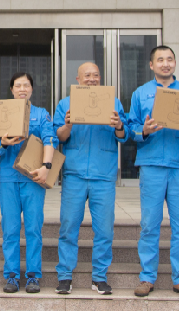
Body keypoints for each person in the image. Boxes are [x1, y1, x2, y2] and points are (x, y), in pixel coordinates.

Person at [124, 45, 179, 299]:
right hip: (152, 165)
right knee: (149, 224)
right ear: (151, 65)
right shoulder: (141, 93)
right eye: (160, 60)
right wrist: (144, 130)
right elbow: (131, 127)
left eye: (169, 59)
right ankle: (147, 277)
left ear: (175, 63)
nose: (165, 64)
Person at [53, 62, 128, 296]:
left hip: (103, 175)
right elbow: (59, 137)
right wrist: (67, 125)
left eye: (96, 75)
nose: (92, 79)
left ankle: (99, 277)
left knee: (104, 230)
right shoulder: (65, 104)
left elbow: (123, 136)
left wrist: (118, 125)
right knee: (68, 227)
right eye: (87, 75)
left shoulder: (113, 103)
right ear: (77, 79)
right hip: (74, 174)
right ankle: (65, 276)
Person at [0, 72, 56, 295]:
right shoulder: (2, 113)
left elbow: (49, 139)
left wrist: (46, 166)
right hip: (8, 177)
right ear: (11, 89)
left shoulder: (41, 114)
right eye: (18, 85)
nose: (22, 89)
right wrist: (3, 143)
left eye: (26, 85)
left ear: (32, 89)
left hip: (33, 179)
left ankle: (33, 275)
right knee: (10, 229)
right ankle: (12, 275)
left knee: (34, 228)